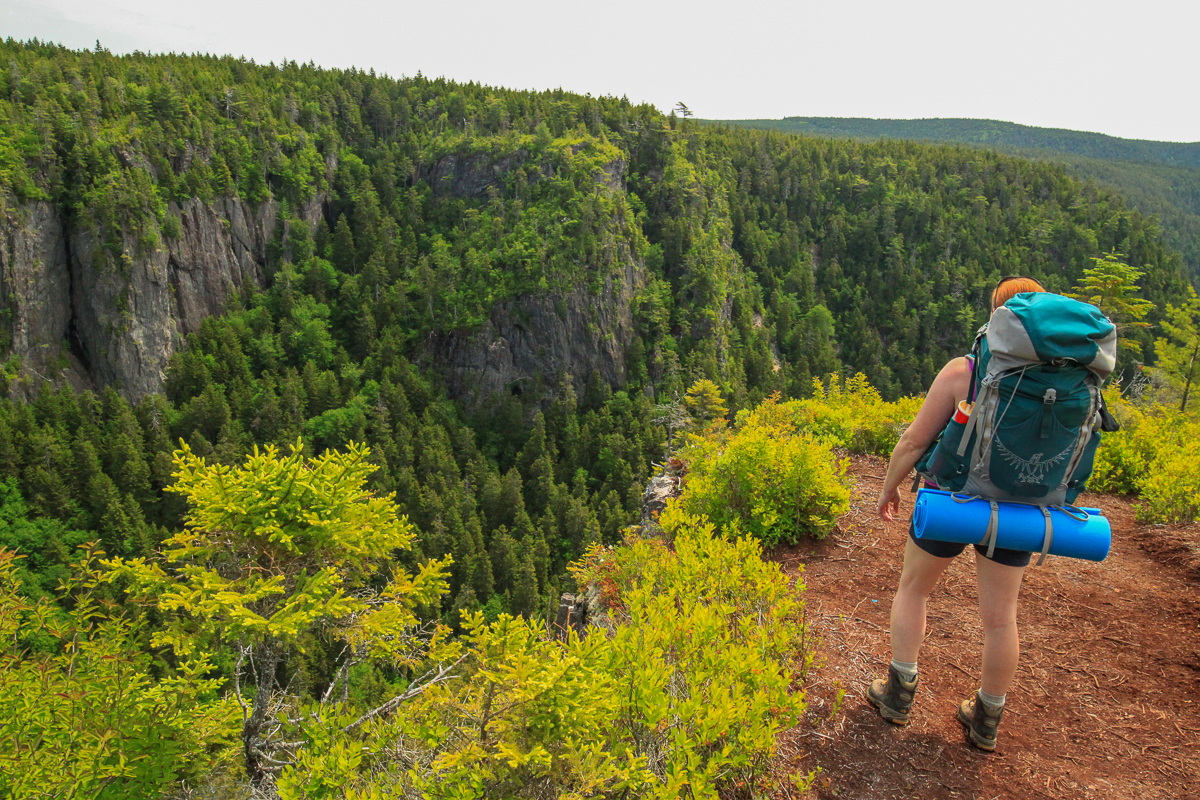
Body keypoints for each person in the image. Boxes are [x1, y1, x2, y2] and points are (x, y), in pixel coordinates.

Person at [866, 276, 1047, 751]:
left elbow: (914, 441)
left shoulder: (964, 371)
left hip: (950, 501)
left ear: (997, 316)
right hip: (1016, 511)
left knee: (914, 589)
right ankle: (986, 718)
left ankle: (898, 695)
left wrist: (889, 489)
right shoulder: (1057, 385)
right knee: (1001, 618)